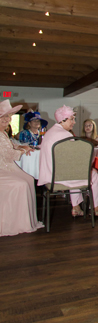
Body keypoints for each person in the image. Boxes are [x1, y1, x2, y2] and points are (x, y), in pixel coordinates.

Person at [38, 105, 98, 218]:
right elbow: (77, 160)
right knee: (92, 173)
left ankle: (76, 207)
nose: (74, 122)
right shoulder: (66, 135)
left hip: (50, 176)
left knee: (76, 171)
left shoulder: (49, 133)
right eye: (72, 119)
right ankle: (96, 208)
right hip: (61, 177)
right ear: (63, 120)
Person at [0, 100, 42, 235]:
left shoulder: (3, 133)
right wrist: (23, 151)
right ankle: (12, 223)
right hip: (3, 167)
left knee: (29, 179)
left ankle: (26, 221)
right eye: (3, 117)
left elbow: (11, 145)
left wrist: (21, 146)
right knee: (21, 184)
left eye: (8, 116)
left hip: (7, 166)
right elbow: (9, 154)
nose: (6, 119)